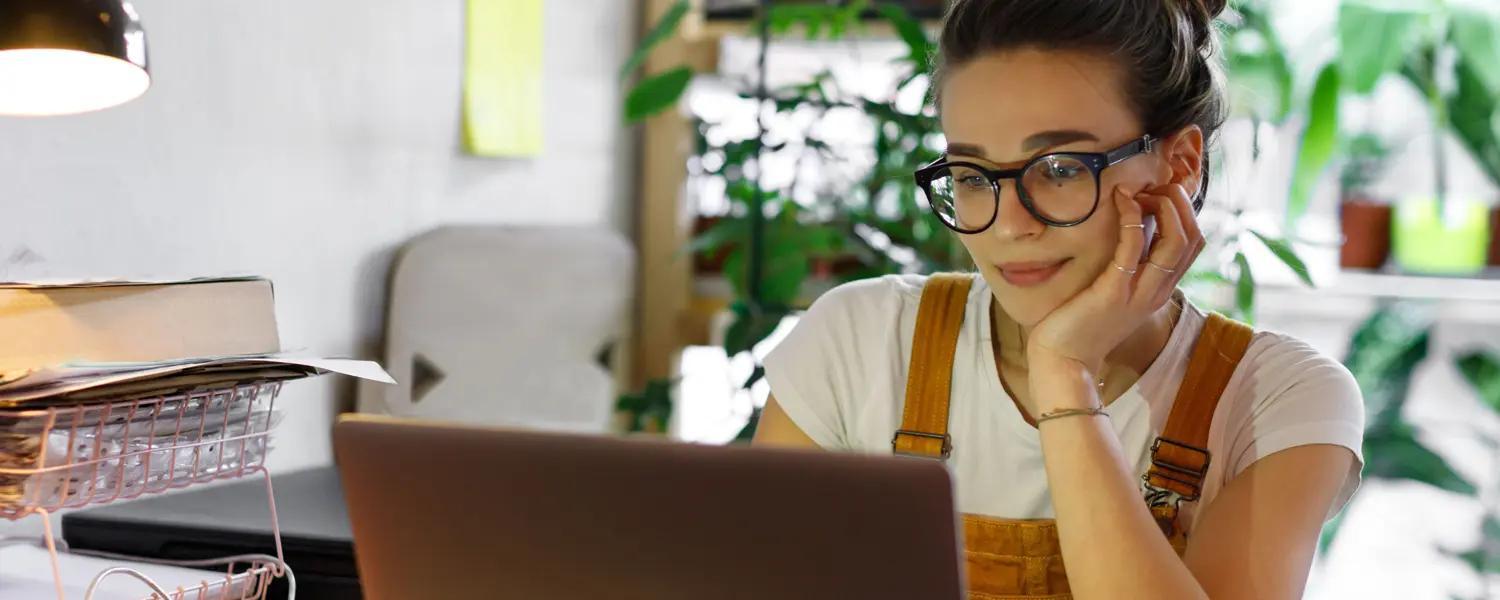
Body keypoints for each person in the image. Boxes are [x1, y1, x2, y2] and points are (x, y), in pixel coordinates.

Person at [751, 1, 1366, 598]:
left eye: (1061, 168)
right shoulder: (859, 341)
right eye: (972, 176)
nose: (1010, 225)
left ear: (1178, 166)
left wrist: (1064, 374)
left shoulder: (1279, 398)